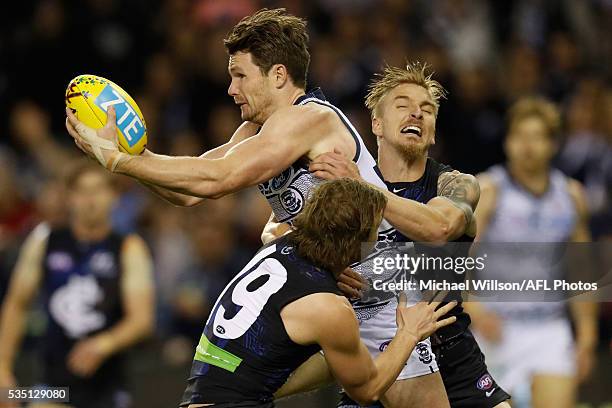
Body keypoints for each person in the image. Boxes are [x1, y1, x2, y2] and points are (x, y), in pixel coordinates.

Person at [66, 8, 469, 407]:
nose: (230, 89)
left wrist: (119, 161)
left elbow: (218, 178)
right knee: (242, 394)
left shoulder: (310, 119)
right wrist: (133, 157)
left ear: (278, 75)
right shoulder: (255, 131)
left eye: (240, 75)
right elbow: (190, 191)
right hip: (325, 299)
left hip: (382, 299)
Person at [277, 63, 511, 408]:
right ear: (376, 124)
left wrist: (363, 188)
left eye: (427, 110)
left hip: (453, 362)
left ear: (433, 132)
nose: (416, 113)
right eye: (402, 105)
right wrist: (324, 264)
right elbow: (275, 229)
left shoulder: (456, 184)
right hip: (378, 363)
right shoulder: (337, 184)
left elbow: (440, 226)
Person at [178, 179, 458, 408]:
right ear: (357, 242)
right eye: (376, 230)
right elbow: (368, 390)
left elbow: (274, 229)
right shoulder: (329, 309)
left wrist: (334, 272)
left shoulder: (276, 245)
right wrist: (409, 334)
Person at [468, 97, 598, 408]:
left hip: (548, 327)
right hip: (494, 329)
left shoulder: (572, 196)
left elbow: (581, 270)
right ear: (508, 142)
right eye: (519, 137)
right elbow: (457, 257)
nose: (527, 147)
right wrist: (475, 309)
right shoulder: (488, 191)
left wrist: (587, 335)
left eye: (537, 137)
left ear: (553, 144)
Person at [0, 160, 155, 408]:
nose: (90, 200)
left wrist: (105, 344)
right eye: (82, 191)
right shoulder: (45, 240)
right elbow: (16, 304)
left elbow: (142, 320)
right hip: (54, 385)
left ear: (113, 196)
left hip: (107, 388)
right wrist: (2, 369)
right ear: (70, 197)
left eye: (98, 190)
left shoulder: (128, 248)